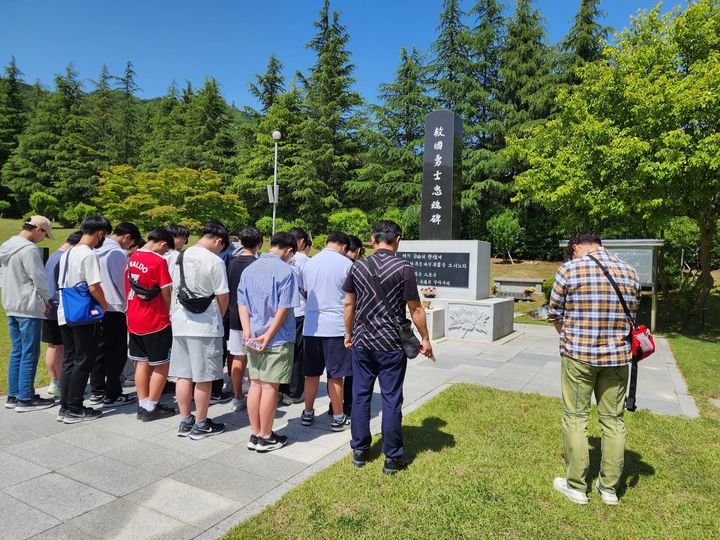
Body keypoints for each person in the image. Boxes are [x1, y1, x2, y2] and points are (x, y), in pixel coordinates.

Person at [549, 230, 641, 506]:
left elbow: (554, 313)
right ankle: (609, 489)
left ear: (576, 246)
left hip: (579, 357)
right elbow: (633, 315)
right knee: (613, 420)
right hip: (617, 359)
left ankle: (576, 485)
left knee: (575, 416)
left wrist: (568, 336)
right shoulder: (629, 271)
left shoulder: (570, 269)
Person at [343, 220, 433, 474]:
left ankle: (359, 450)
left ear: (373, 240)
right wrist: (425, 338)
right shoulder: (404, 267)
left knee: (360, 394)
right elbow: (415, 308)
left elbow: (349, 304)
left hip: (362, 341)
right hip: (391, 343)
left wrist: (348, 334)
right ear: (398, 240)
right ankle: (392, 458)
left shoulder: (358, 266)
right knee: (391, 397)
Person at [238, 232, 299, 452]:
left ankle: (255, 433)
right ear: (289, 251)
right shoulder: (287, 271)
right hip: (277, 337)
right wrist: (269, 334)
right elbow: (284, 307)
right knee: (270, 386)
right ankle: (265, 436)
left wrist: (247, 331)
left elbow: (241, 302)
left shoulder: (249, 269)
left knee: (255, 383)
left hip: (252, 335)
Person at [169, 221, 230, 440]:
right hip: (205, 325)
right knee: (204, 377)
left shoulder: (178, 257)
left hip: (179, 322)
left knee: (183, 375)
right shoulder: (214, 260)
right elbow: (223, 296)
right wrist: (219, 318)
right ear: (219, 241)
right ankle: (201, 423)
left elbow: (171, 288)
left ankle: (186, 420)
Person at [57, 214, 112, 423]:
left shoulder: (68, 253)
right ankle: (75, 407)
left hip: (66, 311)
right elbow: (94, 286)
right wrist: (104, 307)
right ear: (99, 233)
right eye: (103, 235)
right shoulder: (88, 254)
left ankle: (65, 405)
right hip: (83, 313)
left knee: (70, 359)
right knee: (84, 360)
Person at [0, 216, 54, 411]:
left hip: (10, 303)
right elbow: (39, 278)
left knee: (17, 351)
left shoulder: (6, 246)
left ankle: (14, 395)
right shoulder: (29, 250)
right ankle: (26, 397)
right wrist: (46, 299)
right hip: (28, 305)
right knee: (30, 352)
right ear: (38, 229)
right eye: (44, 235)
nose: (43, 239)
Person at [301, 231, 353, 431]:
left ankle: (307, 412)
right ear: (343, 247)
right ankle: (338, 417)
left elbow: (306, 291)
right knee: (336, 374)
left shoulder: (309, 263)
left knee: (311, 374)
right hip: (336, 326)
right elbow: (350, 299)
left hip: (312, 325)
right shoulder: (346, 264)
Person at [126, 228, 177, 422]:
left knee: (141, 361)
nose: (165, 253)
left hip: (134, 316)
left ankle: (143, 402)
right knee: (161, 365)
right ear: (163, 244)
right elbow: (166, 290)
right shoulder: (158, 261)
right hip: (154, 319)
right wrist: (167, 311)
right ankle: (152, 406)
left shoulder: (132, 256)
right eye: (166, 250)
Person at [90, 221, 142, 408]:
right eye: (131, 243)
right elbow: (122, 283)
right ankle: (113, 392)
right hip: (115, 307)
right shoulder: (117, 253)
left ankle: (97, 390)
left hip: (97, 306)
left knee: (99, 350)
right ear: (127, 237)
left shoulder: (95, 249)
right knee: (116, 352)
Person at [226, 227, 263, 412]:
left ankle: (237, 394)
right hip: (253, 318)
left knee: (237, 356)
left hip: (234, 314)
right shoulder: (257, 265)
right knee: (255, 357)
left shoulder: (232, 262)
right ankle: (257, 392)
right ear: (259, 244)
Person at [42, 231, 82, 399]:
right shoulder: (63, 258)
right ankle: (59, 383)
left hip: (47, 306)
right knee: (60, 348)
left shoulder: (54, 256)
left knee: (53, 346)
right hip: (56, 306)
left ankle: (55, 381)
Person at [279, 227, 311, 406]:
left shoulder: (279, 258)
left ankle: (280, 388)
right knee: (297, 352)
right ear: (301, 241)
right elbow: (308, 286)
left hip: (278, 311)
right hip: (298, 311)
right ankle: (294, 391)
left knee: (282, 349)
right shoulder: (303, 260)